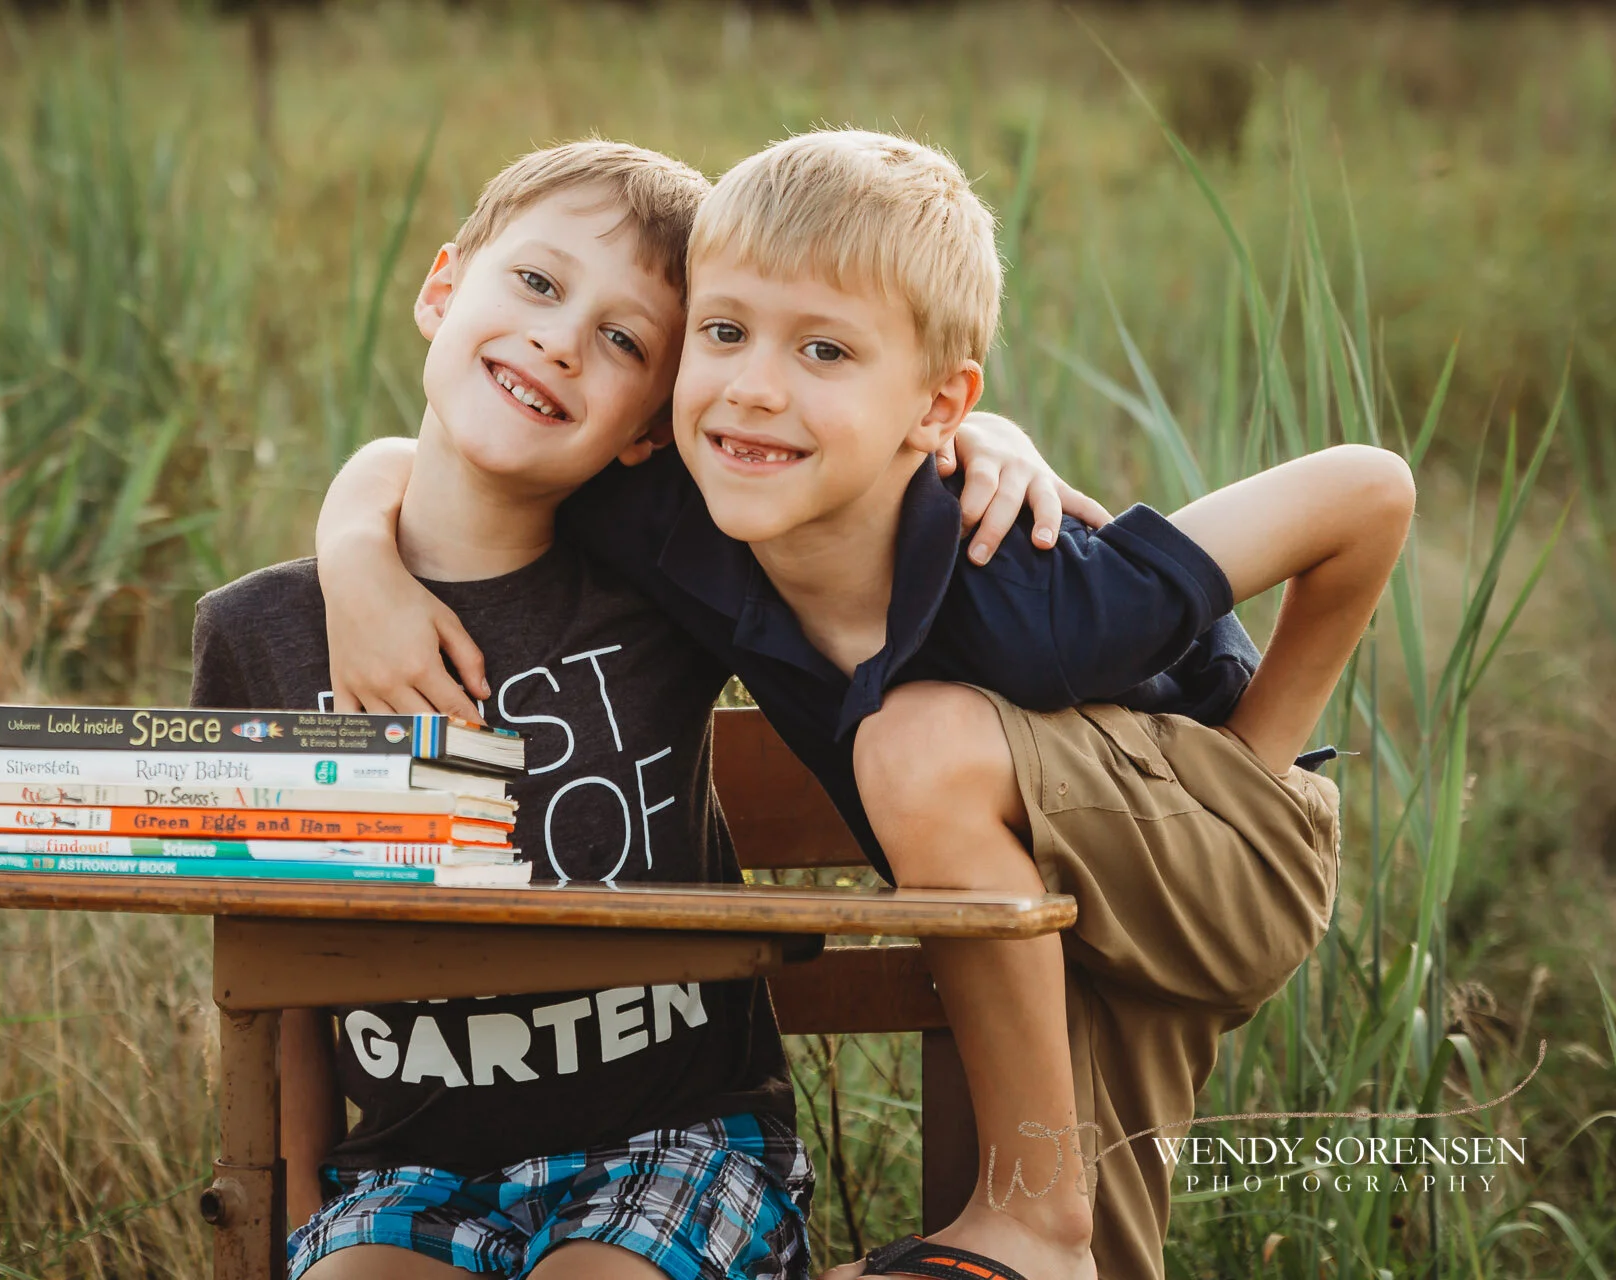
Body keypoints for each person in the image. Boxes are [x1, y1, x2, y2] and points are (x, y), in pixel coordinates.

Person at [312, 130, 1414, 1280]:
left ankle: (1033, 1214)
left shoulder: (1035, 586)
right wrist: (358, 562)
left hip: (1229, 853)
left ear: (937, 407)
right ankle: (1040, 1235)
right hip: (1044, 879)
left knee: (914, 744)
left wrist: (1250, 767)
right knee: (1078, 1257)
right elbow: (444, 449)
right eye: (723, 333)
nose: (755, 386)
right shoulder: (687, 510)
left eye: (824, 349)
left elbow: (1368, 493)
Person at [193, 138, 1096, 1280]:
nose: (560, 340)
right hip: (409, 1171)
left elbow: (859, 481)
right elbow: (271, 953)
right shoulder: (259, 632)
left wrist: (977, 436)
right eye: (536, 282)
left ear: (650, 428)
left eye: (623, 341)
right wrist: (297, 1198)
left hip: (679, 1143)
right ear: (442, 287)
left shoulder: (669, 585)